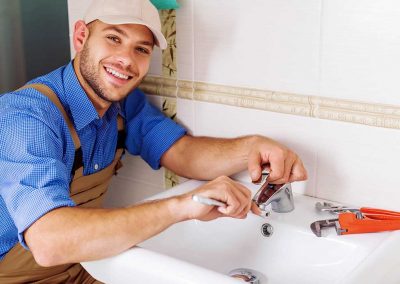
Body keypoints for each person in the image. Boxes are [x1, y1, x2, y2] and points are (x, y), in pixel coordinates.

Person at [0, 0, 307, 282]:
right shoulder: (26, 117)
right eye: (114, 38)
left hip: (81, 269)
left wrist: (254, 147)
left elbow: (184, 153)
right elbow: (48, 242)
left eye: (141, 49)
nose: (125, 60)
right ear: (81, 37)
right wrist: (181, 206)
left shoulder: (123, 105)